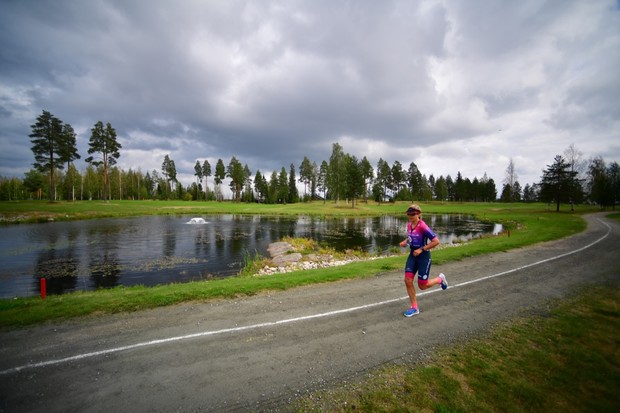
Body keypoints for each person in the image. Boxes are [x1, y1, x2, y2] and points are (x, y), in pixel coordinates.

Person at [399, 204, 447, 317]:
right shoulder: (409, 225)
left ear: (419, 214)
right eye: (409, 214)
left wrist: (421, 249)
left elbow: (436, 241)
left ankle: (440, 279)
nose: (410, 216)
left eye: (413, 214)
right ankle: (414, 307)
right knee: (407, 280)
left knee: (422, 286)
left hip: (423, 257)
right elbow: (411, 237)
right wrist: (405, 242)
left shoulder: (423, 226)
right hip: (412, 255)